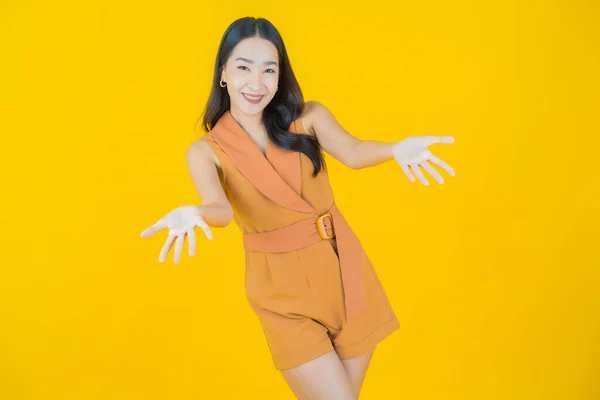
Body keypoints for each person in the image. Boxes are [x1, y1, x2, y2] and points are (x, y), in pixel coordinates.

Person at [141, 16, 455, 400]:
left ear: (280, 75)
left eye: (268, 70)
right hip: (280, 288)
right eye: (243, 68)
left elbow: (353, 152)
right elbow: (219, 210)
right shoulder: (206, 151)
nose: (256, 83)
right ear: (223, 72)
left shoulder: (308, 117)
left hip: (344, 268)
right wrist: (196, 213)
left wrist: (394, 149)